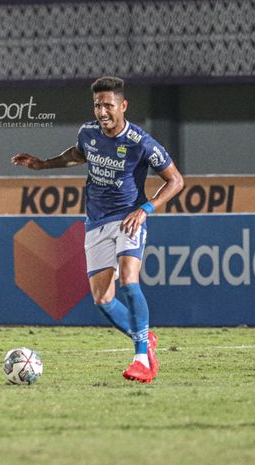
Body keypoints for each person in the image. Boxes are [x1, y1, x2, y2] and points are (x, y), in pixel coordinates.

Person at [12, 76, 184, 383]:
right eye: (97, 105)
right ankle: (145, 337)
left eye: (108, 105)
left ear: (123, 105)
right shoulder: (88, 133)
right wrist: (42, 165)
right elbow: (77, 155)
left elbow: (176, 181)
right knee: (102, 299)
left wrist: (145, 210)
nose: (102, 111)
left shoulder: (140, 142)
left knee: (129, 281)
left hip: (128, 218)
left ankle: (142, 358)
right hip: (96, 222)